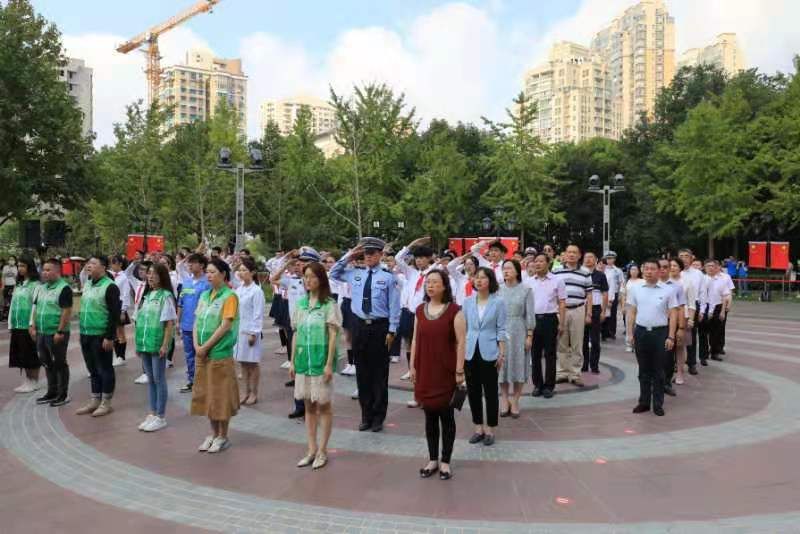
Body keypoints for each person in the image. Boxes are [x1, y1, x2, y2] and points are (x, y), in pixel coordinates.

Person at [330, 237, 400, 433]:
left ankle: (378, 417)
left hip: (380, 327)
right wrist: (350, 255)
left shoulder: (388, 277)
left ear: (380, 255)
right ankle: (365, 416)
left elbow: (394, 306)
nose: (368, 256)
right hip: (359, 326)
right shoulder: (355, 274)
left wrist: (392, 330)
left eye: (372, 253)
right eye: (366, 253)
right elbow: (334, 272)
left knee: (379, 374)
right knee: (362, 374)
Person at [410, 269, 465, 480]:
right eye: (428, 282)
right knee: (429, 416)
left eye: (435, 282)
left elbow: (461, 342)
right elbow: (415, 340)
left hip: (446, 371)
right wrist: (413, 366)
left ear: (444, 286)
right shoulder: (419, 310)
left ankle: (445, 462)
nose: (430, 286)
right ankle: (432, 459)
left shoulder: (454, 311)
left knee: (446, 416)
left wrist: (460, 370)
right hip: (425, 369)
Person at [290, 262, 341, 470]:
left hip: (320, 362)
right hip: (303, 361)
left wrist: (329, 364)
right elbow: (295, 334)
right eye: (305, 277)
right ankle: (311, 449)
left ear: (321, 279)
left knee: (324, 406)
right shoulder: (301, 304)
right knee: (308, 406)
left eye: (312, 277)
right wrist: (292, 361)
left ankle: (322, 450)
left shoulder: (329, 305)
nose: (308, 280)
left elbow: (333, 336)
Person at [191, 258, 240, 453]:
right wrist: (197, 345)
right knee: (206, 394)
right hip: (202, 353)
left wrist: (207, 346)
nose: (209, 275)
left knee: (220, 395)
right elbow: (197, 321)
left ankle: (223, 436)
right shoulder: (204, 296)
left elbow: (225, 325)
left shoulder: (229, 296)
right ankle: (212, 433)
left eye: (213, 272)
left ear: (223, 275)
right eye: (208, 272)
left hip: (219, 353)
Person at [270, 247, 322, 419]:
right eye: (300, 263)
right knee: (298, 369)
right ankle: (300, 405)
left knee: (313, 369)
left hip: (313, 331)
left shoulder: (319, 285)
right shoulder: (293, 281)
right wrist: (287, 262)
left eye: (306, 263)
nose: (302, 266)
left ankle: (313, 406)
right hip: (296, 330)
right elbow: (273, 279)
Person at [626, 259, 679, 417]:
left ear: (659, 271)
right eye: (646, 268)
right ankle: (643, 402)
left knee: (659, 370)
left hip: (660, 333)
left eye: (652, 269)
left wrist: (671, 336)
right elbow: (631, 312)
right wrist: (630, 333)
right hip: (641, 332)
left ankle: (657, 404)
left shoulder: (668, 290)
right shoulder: (635, 289)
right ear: (643, 271)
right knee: (643, 369)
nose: (649, 271)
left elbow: (674, 314)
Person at [462, 267, 507, 446]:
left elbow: (501, 329)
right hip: (470, 350)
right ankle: (478, 427)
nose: (479, 280)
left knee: (490, 392)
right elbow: (464, 327)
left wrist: (501, 353)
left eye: (483, 278)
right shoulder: (467, 302)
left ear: (490, 281)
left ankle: (490, 429)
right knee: (473, 392)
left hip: (490, 351)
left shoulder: (498, 302)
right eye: (476, 277)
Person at [75, 256, 121, 417]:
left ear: (103, 267)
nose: (89, 266)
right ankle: (95, 399)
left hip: (101, 335)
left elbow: (115, 314)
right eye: (88, 263)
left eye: (93, 263)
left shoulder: (110, 286)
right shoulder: (88, 283)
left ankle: (106, 402)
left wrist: (109, 337)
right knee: (92, 369)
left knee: (104, 368)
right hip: (86, 333)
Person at [135, 263, 176, 432]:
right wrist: (138, 344)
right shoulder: (147, 296)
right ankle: (152, 413)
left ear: (162, 277)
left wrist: (165, 344)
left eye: (154, 274)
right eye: (149, 273)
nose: (150, 277)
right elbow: (140, 321)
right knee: (151, 380)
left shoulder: (165, 296)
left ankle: (161, 416)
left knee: (159, 379)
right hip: (145, 344)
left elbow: (168, 324)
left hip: (158, 344)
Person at [30, 259, 73, 406]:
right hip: (41, 332)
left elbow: (66, 312)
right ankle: (51, 392)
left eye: (48, 270)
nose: (45, 272)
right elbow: (36, 308)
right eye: (44, 269)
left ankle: (63, 394)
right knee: (47, 363)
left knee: (59, 363)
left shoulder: (64, 288)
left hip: (56, 333)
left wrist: (59, 331)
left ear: (57, 271)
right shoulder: (41, 288)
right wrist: (33, 326)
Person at [395, 237, 436, 388]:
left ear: (429, 259)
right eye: (417, 258)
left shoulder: (434, 272)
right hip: (408, 312)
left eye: (422, 258)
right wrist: (412, 244)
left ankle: (425, 372)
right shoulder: (412, 273)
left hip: (424, 314)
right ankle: (410, 369)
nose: (419, 261)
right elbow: (398, 258)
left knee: (423, 344)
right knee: (408, 342)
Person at [525, 253, 566, 398]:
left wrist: (561, 323)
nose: (537, 264)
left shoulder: (557, 280)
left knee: (550, 354)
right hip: (533, 320)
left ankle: (549, 386)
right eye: (535, 261)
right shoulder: (529, 282)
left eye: (541, 261)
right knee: (535, 354)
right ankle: (537, 384)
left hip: (550, 319)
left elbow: (562, 302)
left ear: (548, 263)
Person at [498, 259, 535, 418]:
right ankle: (505, 399)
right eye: (503, 268)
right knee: (502, 367)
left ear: (517, 271)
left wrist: (529, 335)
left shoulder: (526, 290)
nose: (506, 271)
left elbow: (530, 314)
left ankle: (516, 399)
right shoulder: (497, 290)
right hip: (501, 331)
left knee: (519, 366)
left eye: (509, 268)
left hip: (519, 330)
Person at [552, 244, 592, 387]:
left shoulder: (586, 272)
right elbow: (552, 292)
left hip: (578, 309)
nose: (571, 255)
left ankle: (575, 374)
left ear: (579, 255)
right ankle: (562, 372)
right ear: (565, 254)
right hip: (561, 310)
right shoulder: (556, 271)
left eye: (575, 252)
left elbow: (589, 293)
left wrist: (589, 313)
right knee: (561, 342)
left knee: (577, 343)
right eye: (569, 252)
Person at [176, 253, 211, 393]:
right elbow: (181, 303)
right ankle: (192, 381)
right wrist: (178, 322)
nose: (190, 265)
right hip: (186, 325)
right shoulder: (186, 282)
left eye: (193, 263)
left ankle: (205, 381)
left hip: (201, 327)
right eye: (189, 263)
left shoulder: (207, 283)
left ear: (202, 265)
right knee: (189, 355)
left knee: (202, 354)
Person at [8, 256, 41, 393]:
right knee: (22, 353)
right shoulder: (19, 284)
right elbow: (12, 305)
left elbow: (36, 306)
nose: (20, 268)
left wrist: (32, 324)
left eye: (23, 266)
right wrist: (10, 323)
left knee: (31, 353)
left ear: (29, 267)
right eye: (18, 266)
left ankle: (34, 381)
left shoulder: (36, 285)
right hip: (17, 324)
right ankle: (28, 380)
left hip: (28, 325)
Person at [234, 257, 265, 405]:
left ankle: (254, 393)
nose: (241, 273)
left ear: (252, 272)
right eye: (239, 270)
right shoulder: (239, 289)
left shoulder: (256, 290)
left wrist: (254, 332)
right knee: (242, 363)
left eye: (244, 270)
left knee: (252, 364)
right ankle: (244, 392)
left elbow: (258, 313)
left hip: (251, 332)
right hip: (239, 331)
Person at [658, 258, 684, 397]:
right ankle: (654, 384)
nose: (662, 269)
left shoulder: (677, 287)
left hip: (670, 324)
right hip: (654, 325)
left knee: (669, 357)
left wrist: (680, 328)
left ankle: (667, 383)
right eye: (660, 267)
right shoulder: (649, 285)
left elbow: (680, 308)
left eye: (665, 267)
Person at [698, 259, 731, 364]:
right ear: (704, 267)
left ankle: (714, 352)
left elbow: (725, 296)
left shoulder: (721, 280)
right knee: (703, 333)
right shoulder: (700, 280)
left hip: (717, 307)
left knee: (715, 332)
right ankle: (703, 356)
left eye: (712, 266)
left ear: (716, 267)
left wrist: (722, 311)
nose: (711, 268)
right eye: (708, 266)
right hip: (704, 307)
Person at [668, 258, 694, 386]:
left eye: (675, 265)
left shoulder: (687, 282)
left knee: (680, 347)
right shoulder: (664, 281)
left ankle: (679, 373)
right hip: (667, 317)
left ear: (680, 267)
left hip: (682, 317)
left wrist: (691, 319)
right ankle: (667, 372)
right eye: (670, 265)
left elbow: (691, 303)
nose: (672, 267)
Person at [581, 252, 608, 374]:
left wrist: (603, 311)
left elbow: (605, 294)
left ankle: (594, 365)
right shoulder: (580, 274)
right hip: (581, 309)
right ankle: (584, 364)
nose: (588, 259)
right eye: (586, 257)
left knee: (595, 340)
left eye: (591, 257)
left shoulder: (601, 275)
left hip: (596, 309)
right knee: (583, 339)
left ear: (596, 260)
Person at [677, 249, 703, 375]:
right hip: (676, 308)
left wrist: (702, 309)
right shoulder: (674, 272)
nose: (683, 258)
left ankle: (691, 363)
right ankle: (676, 363)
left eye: (686, 256)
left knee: (691, 336)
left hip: (692, 306)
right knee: (675, 335)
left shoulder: (698, 274)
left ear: (691, 258)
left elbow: (703, 292)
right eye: (681, 256)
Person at [109, 255, 131, 368]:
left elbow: (126, 294)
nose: (112, 265)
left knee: (120, 332)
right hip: (111, 306)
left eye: (115, 262)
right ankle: (117, 355)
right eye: (112, 263)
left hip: (120, 306)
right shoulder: (110, 275)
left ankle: (121, 356)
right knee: (113, 333)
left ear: (120, 264)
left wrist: (123, 310)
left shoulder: (124, 277)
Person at [619, 264, 645, 353]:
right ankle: (629, 344)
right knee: (629, 326)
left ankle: (638, 343)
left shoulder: (643, 281)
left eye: (635, 269)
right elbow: (623, 294)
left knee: (639, 326)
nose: (633, 271)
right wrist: (623, 306)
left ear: (639, 271)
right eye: (632, 269)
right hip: (629, 306)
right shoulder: (626, 281)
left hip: (640, 307)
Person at [602, 251, 624, 340]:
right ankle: (604, 332)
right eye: (608, 258)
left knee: (612, 314)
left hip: (614, 293)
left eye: (611, 258)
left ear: (614, 259)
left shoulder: (617, 271)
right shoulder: (603, 269)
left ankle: (612, 332)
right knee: (603, 311)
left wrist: (620, 295)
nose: (609, 260)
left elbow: (622, 283)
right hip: (603, 293)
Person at [2, 255, 18, 321]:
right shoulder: (5, 267)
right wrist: (3, 285)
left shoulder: (16, 267)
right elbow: (3, 277)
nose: (11, 261)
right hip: (6, 286)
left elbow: (16, 278)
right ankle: (4, 316)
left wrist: (15, 286)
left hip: (13, 286)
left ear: (15, 261)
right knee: (6, 301)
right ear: (8, 261)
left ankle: (11, 316)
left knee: (12, 301)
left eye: (12, 259)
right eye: (10, 259)